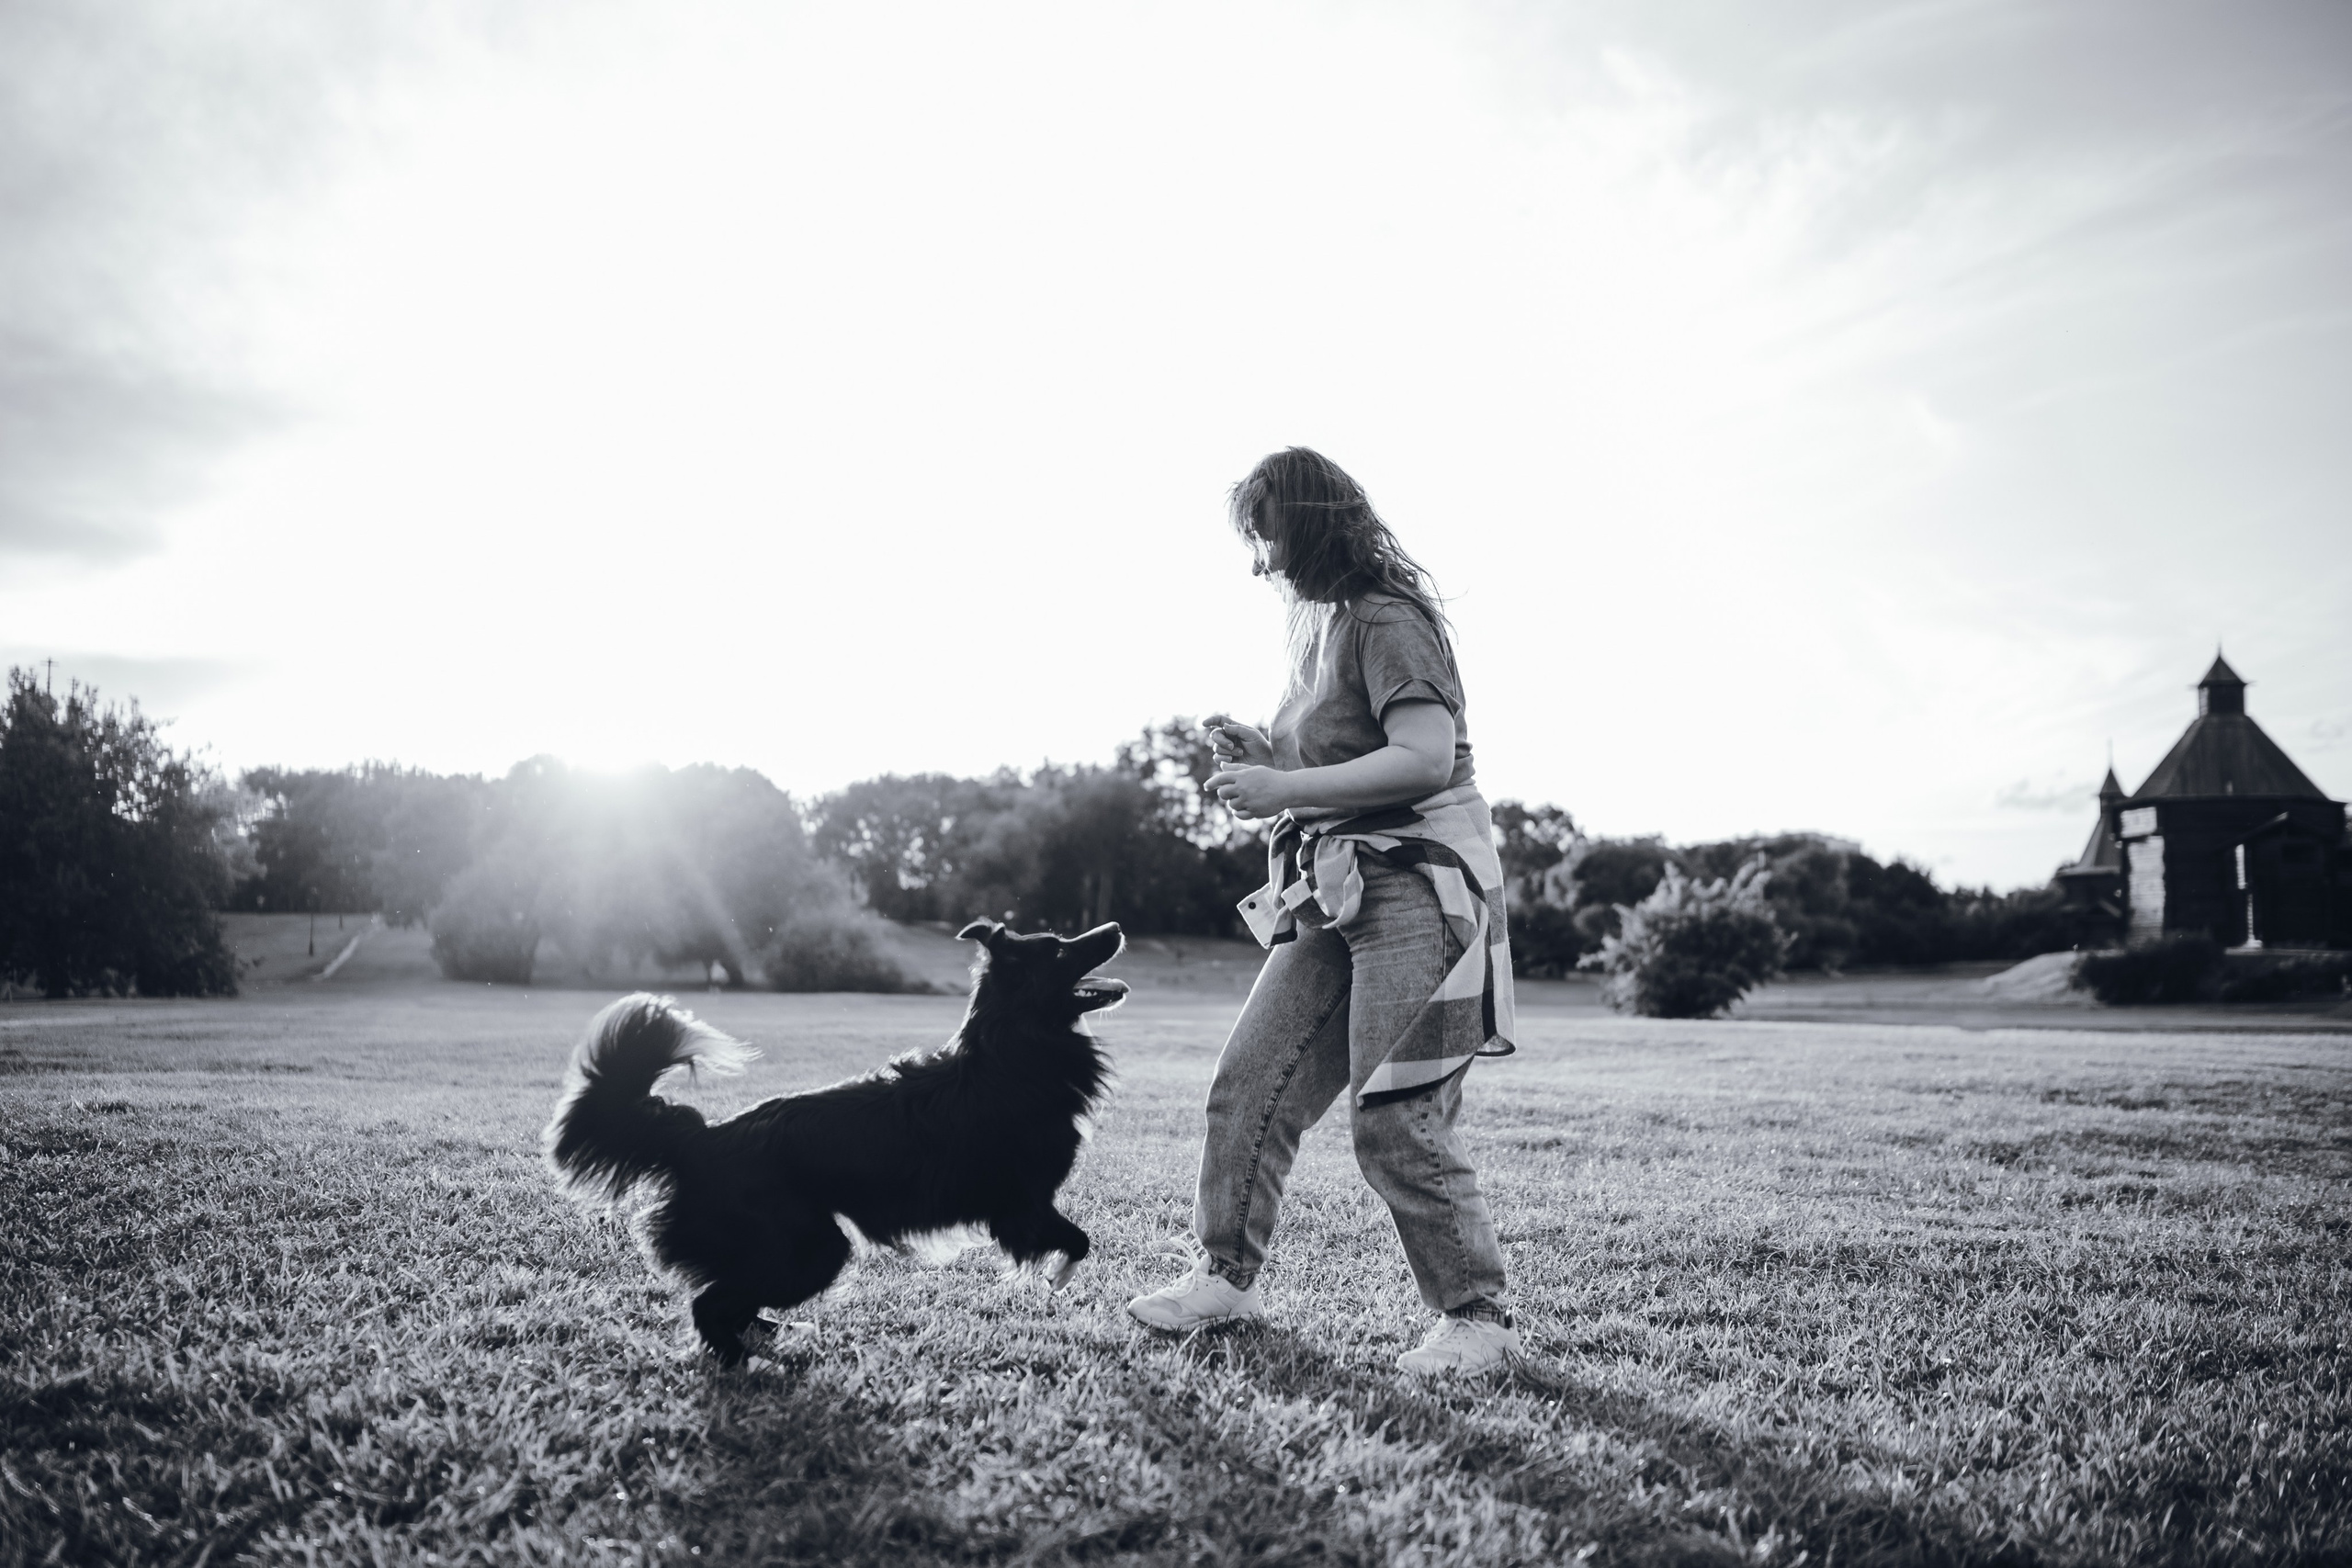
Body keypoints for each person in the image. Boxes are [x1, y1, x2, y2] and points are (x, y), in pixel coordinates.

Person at [1125, 446, 1520, 1377]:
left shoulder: (1387, 618)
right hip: (1338, 891)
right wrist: (1271, 761)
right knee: (1249, 1083)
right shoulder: (1322, 626)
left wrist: (1283, 788)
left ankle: (1478, 1322)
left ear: (1308, 525)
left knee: (1395, 1113)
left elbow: (1423, 758)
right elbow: (1342, 764)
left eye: (1266, 539)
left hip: (1417, 886)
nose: (1259, 564)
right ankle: (1223, 1277)